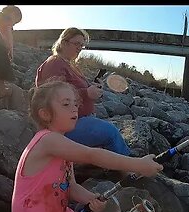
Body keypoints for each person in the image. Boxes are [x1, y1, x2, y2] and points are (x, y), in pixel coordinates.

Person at [12, 80, 163, 212]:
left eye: (76, 103)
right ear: (45, 114)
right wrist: (138, 165)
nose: (74, 108)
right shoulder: (47, 140)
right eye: (66, 104)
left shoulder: (63, 146)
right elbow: (92, 155)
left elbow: (71, 187)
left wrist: (90, 198)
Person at [35, 27, 131, 158]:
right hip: (64, 127)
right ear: (63, 42)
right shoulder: (55, 63)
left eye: (82, 45)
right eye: (77, 44)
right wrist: (86, 93)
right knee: (111, 132)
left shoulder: (69, 65)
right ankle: (129, 171)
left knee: (107, 138)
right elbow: (52, 98)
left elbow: (73, 89)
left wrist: (93, 89)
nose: (80, 48)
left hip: (78, 120)